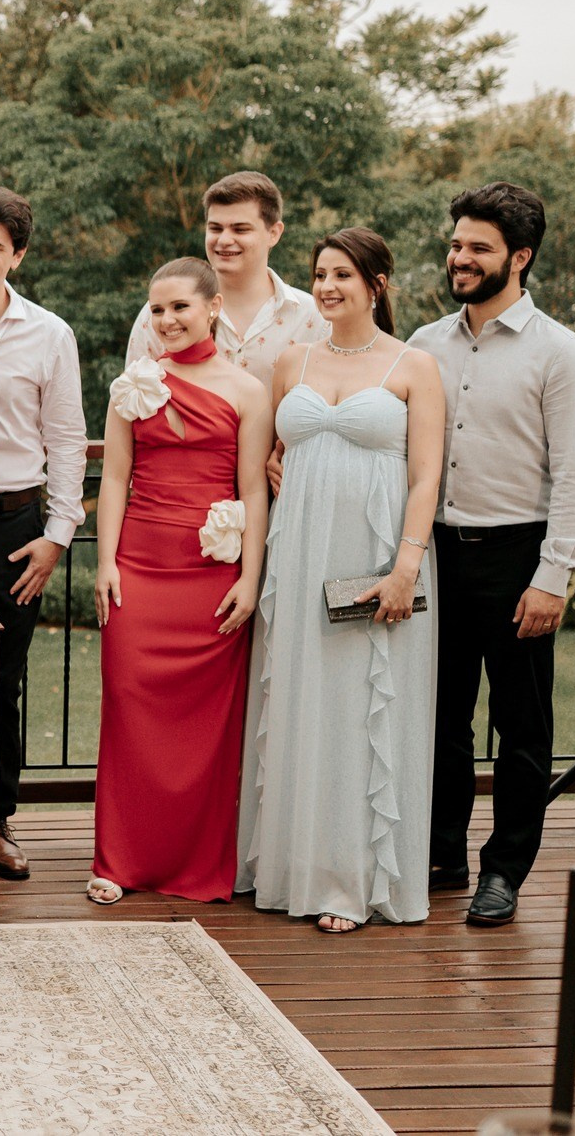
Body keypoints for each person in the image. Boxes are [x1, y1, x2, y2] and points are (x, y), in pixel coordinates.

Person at [238, 230, 444, 933]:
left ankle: (350, 880)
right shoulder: (290, 361)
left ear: (376, 285)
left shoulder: (415, 366)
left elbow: (426, 476)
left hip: (377, 555)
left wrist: (405, 568)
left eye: (343, 275)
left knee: (363, 709)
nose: (326, 287)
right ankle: (293, 866)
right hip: (299, 555)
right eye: (320, 274)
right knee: (302, 700)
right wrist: (277, 462)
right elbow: (274, 452)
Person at [410, 182, 575, 927]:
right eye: (456, 243)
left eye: (478, 248)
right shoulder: (425, 343)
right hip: (436, 554)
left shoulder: (560, 352)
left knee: (521, 728)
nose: (459, 257)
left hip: (519, 555)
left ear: (519, 258)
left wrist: (554, 576)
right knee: (439, 718)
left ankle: (504, 871)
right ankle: (442, 854)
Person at [90, 258, 271, 906]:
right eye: (157, 309)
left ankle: (195, 864)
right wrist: (106, 562)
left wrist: (251, 577)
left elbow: (253, 489)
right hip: (139, 570)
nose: (166, 320)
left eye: (179, 307)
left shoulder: (249, 391)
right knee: (129, 713)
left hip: (210, 578)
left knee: (204, 731)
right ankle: (118, 860)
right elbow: (115, 477)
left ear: (213, 307)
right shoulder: (133, 384)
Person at [0, 187, 88, 881]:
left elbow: (67, 440)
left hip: (14, 528)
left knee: (1, 681)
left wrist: (57, 535)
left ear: (18, 257)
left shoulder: (48, 334)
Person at [124, 172, 328, 387]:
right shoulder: (161, 314)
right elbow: (131, 396)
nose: (224, 240)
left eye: (240, 229)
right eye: (215, 228)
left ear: (274, 233)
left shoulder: (314, 318)